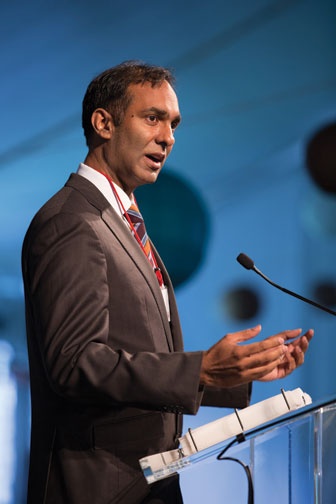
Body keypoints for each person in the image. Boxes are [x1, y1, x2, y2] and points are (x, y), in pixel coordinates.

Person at [21, 60, 313, 504]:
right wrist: (198, 368)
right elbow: (76, 363)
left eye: (174, 124)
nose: (168, 138)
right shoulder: (72, 222)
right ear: (104, 122)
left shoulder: (125, 223)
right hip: (98, 487)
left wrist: (233, 374)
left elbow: (138, 361)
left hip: (148, 483)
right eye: (152, 118)